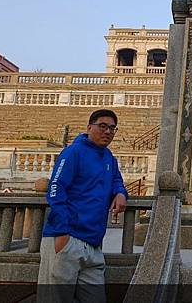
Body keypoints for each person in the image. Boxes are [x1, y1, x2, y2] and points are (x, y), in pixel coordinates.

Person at [37, 109, 128, 303]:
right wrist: (63, 233)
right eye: (102, 126)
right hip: (67, 239)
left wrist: (120, 193)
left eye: (112, 128)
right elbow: (56, 188)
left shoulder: (109, 158)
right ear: (89, 127)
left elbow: (117, 180)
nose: (108, 132)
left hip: (93, 246)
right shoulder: (73, 152)